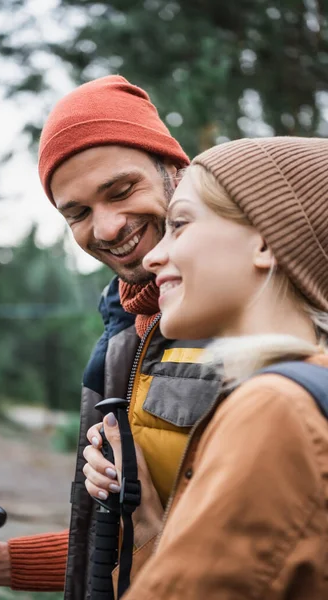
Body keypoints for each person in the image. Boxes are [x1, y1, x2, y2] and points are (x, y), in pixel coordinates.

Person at [0, 76, 221, 599]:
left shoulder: (266, 315)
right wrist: (2, 563)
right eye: (79, 213)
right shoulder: (120, 336)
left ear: (176, 170)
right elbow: (132, 532)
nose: (106, 228)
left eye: (121, 190)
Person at [85, 136, 328, 598]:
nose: (154, 256)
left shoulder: (276, 410)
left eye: (180, 224)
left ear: (266, 239)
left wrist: (149, 527)